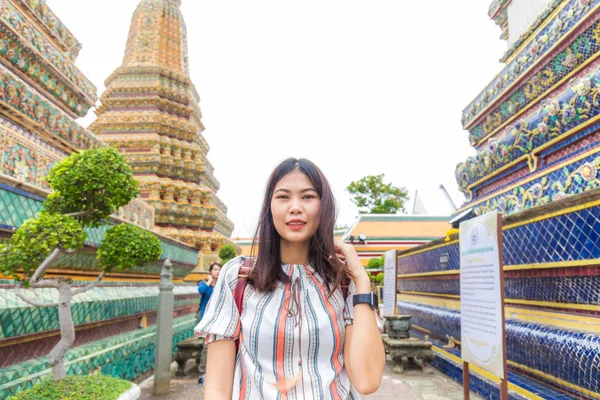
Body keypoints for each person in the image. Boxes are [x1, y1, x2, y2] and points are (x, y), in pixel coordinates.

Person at [195, 158, 385, 399]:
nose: (295, 207)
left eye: (308, 197)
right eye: (283, 197)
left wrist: (362, 280)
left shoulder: (344, 283)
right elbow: (217, 389)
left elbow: (367, 381)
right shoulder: (238, 277)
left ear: (323, 206)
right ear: (270, 207)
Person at [197, 262, 221, 385]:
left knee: (218, 344)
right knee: (206, 345)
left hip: (219, 319)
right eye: (215, 269)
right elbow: (201, 291)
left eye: (219, 269)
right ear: (210, 272)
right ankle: (203, 372)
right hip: (206, 320)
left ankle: (215, 371)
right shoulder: (204, 284)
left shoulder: (222, 285)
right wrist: (209, 281)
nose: (217, 271)